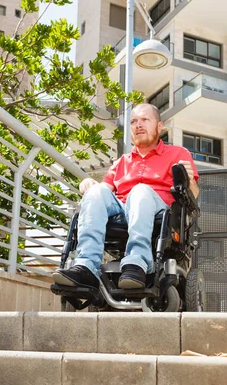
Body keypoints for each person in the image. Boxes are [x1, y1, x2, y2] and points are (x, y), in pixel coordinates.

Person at [53, 102, 199, 291]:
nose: (138, 125)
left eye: (145, 120)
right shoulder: (122, 161)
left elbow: (193, 195)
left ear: (159, 126)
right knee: (95, 192)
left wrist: (189, 182)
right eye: (133, 121)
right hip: (122, 208)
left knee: (140, 191)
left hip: (159, 211)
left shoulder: (178, 154)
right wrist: (89, 185)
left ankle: (137, 262)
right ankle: (86, 266)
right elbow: (105, 190)